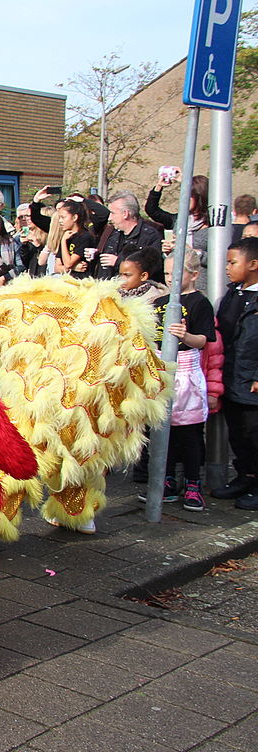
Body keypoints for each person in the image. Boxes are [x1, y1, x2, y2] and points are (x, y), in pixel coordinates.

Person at [148, 251, 215, 511]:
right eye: (166, 274)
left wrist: (186, 335)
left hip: (186, 372)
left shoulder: (200, 303)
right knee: (164, 432)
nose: (170, 279)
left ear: (194, 274)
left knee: (189, 433)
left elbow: (204, 340)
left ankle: (193, 483)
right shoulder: (160, 301)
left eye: (176, 274)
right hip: (162, 370)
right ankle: (166, 480)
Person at [211, 237, 258, 510]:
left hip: (251, 380)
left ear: (253, 264)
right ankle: (244, 477)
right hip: (232, 375)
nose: (227, 268)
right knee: (238, 433)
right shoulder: (233, 294)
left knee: (254, 434)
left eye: (232, 262)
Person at [93, 191, 163, 280]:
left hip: (136, 292)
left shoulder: (150, 236)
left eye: (112, 213)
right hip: (108, 289)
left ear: (125, 214)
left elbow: (152, 268)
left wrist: (119, 262)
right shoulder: (114, 233)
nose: (109, 218)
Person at [147, 172, 209, 255]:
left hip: (197, 267)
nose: (185, 198)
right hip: (177, 267)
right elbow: (152, 210)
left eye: (189, 195)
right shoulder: (180, 220)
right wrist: (159, 186)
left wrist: (190, 251)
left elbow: (217, 259)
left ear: (200, 196)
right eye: (183, 194)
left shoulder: (213, 224)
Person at [53, 200, 97, 278]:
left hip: (82, 282)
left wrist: (63, 242)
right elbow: (57, 268)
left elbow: (68, 263)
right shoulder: (66, 237)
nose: (60, 221)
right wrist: (73, 268)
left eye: (63, 217)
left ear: (74, 217)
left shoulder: (84, 237)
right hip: (67, 281)